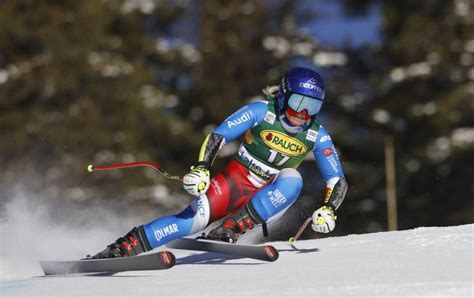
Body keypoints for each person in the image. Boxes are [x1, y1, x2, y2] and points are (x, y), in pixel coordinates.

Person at [92, 66, 348, 258]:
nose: (303, 114)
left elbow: (337, 180)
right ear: (283, 95)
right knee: (188, 222)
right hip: (234, 182)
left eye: (312, 107)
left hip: (272, 197)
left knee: (293, 178)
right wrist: (202, 168)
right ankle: (122, 249)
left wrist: (329, 208)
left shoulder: (317, 134)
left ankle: (233, 226)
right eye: (297, 104)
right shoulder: (261, 111)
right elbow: (219, 135)